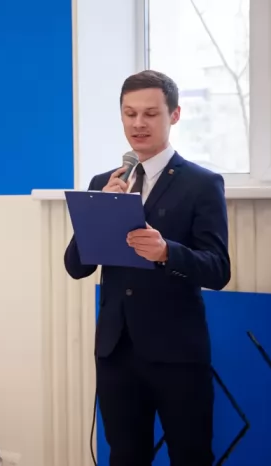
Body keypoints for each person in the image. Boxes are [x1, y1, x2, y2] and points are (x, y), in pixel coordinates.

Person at [64, 70, 230, 466]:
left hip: (177, 353)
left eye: (150, 114)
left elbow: (218, 269)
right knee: (124, 456)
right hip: (116, 351)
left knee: (190, 456)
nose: (138, 123)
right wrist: (98, 213)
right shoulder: (105, 181)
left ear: (174, 115)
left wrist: (167, 251)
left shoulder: (201, 183)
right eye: (130, 113)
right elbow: (75, 267)